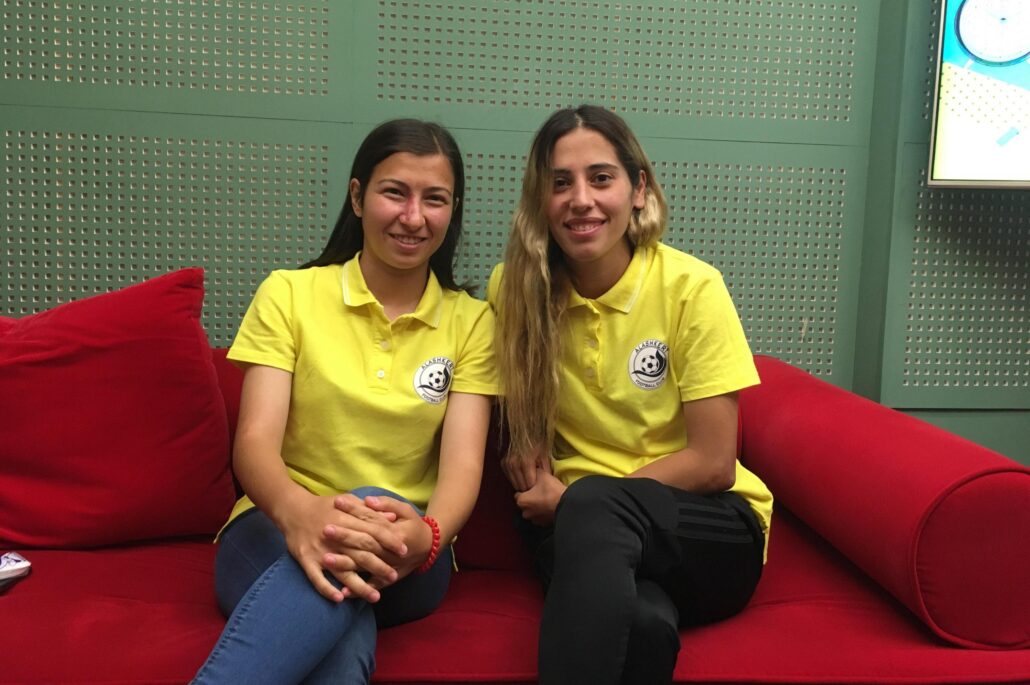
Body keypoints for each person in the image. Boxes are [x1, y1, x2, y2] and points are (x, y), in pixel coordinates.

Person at [192, 119, 497, 684]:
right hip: (273, 526)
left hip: (408, 549)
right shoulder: (289, 294)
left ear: (452, 211)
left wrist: (429, 534)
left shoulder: (474, 323)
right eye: (394, 192)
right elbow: (254, 442)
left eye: (435, 199)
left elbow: (463, 466)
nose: (413, 217)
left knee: (364, 515)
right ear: (357, 197)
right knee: (341, 627)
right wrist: (302, 513)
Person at [488, 105, 773, 685]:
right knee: (642, 626)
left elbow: (714, 463)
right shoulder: (514, 289)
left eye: (601, 178)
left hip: (702, 530)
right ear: (540, 199)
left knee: (595, 504)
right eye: (560, 183)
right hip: (579, 536)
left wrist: (576, 500)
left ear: (638, 189)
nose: (580, 200)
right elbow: (508, 412)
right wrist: (525, 444)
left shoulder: (691, 287)